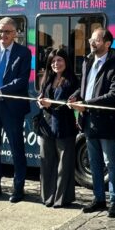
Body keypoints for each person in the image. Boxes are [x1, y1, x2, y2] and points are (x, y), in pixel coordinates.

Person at [68, 27, 115, 217]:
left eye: (96, 40)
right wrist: (75, 98)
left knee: (111, 163)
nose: (91, 43)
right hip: (88, 121)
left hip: (107, 122)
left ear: (107, 43)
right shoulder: (87, 61)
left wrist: (86, 104)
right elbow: (84, 87)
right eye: (91, 39)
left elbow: (113, 95)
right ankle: (99, 199)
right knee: (94, 162)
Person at [0, 17, 32, 203]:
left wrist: (0, 91)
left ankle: (18, 189)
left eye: (7, 31)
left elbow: (21, 81)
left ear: (15, 33)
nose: (3, 35)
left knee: (17, 149)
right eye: (0, 31)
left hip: (11, 108)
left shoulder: (24, 53)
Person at [36, 46, 78, 208]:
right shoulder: (46, 79)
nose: (56, 63)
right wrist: (41, 101)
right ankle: (48, 196)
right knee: (46, 163)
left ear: (65, 61)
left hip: (64, 127)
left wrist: (51, 104)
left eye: (59, 60)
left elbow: (71, 100)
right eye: (53, 61)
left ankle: (62, 198)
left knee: (64, 165)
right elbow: (43, 98)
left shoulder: (72, 80)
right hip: (46, 126)